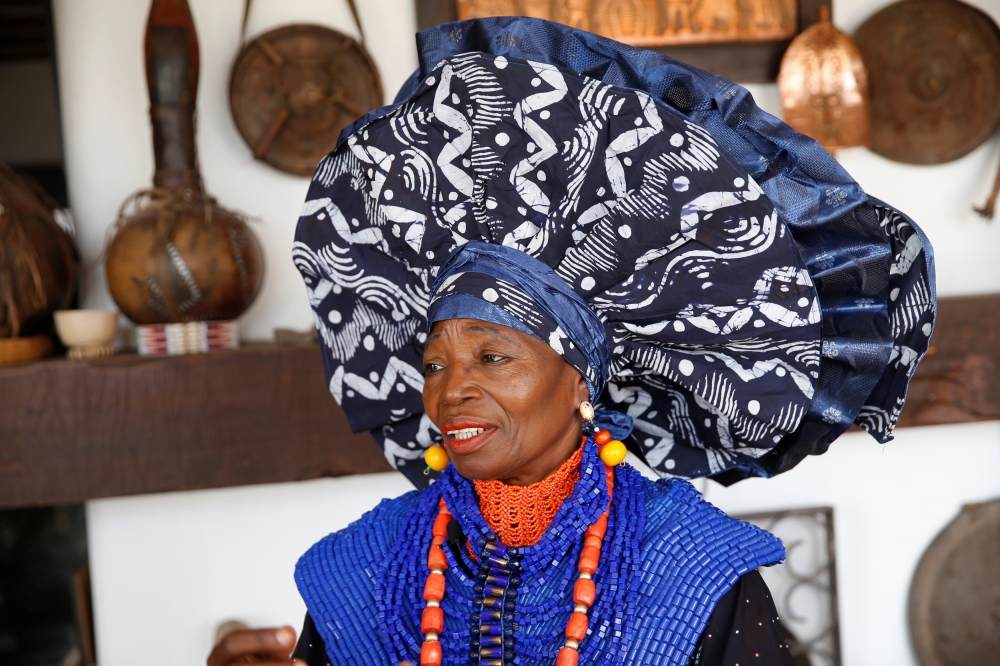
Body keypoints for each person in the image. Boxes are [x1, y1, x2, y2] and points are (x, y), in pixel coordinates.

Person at [208, 15, 933, 666]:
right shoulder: (363, 570)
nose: (451, 390)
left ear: (580, 379)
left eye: (493, 356)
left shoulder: (692, 569)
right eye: (433, 364)